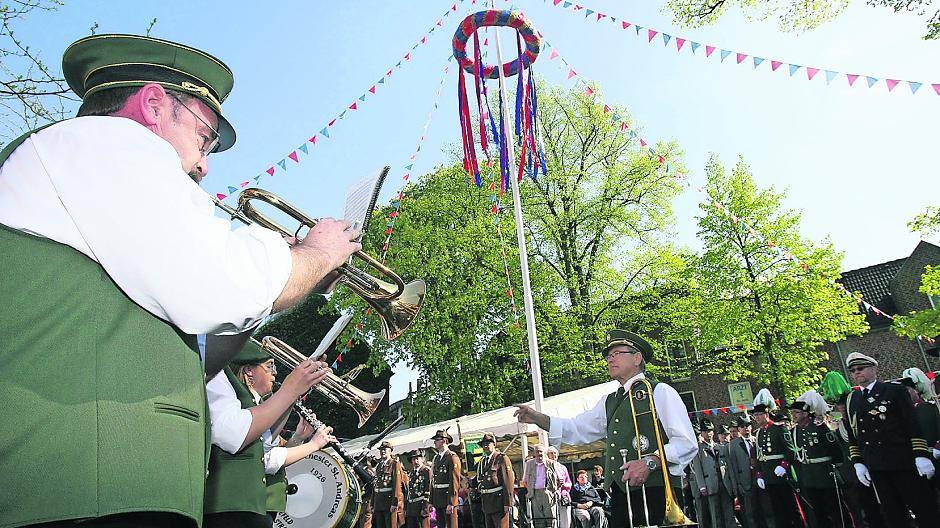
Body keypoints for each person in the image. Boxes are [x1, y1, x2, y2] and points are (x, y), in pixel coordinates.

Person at [0, 33, 361, 528]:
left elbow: (199, 360)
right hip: (87, 488)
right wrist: (314, 254)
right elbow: (222, 286)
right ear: (153, 105)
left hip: (105, 487)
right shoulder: (106, 141)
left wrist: (298, 275)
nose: (204, 163)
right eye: (203, 136)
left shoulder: (88, 173)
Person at [514, 329, 697, 528]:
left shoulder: (660, 391)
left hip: (656, 491)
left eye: (617, 353)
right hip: (621, 494)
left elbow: (686, 442)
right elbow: (578, 428)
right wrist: (539, 418)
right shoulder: (609, 401)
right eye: (609, 356)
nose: (610, 359)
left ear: (637, 358)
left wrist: (651, 461)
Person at [203, 341, 334, 527]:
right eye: (269, 366)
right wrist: (313, 444)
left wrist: (296, 391)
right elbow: (249, 445)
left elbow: (265, 443)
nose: (275, 373)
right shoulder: (236, 397)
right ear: (249, 371)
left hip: (248, 507)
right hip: (230, 507)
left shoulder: (251, 401)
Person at [843, 352, 939, 527]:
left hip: (903, 461)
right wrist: (858, 462)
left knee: (924, 509)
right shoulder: (852, 399)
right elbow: (853, 433)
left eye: (861, 368)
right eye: (853, 370)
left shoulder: (894, 391)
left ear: (874, 369)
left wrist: (921, 455)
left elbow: (912, 424)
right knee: (893, 515)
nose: (857, 372)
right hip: (876, 465)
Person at [819, 370, 877, 528]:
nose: (841, 408)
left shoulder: (860, 421)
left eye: (843, 404)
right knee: (860, 508)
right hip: (851, 473)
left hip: (870, 467)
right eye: (838, 406)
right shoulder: (841, 426)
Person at [788, 390, 842, 528]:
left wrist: (835, 468)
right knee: (818, 511)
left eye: (796, 412)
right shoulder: (794, 432)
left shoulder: (820, 428)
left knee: (835, 509)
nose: (793, 415)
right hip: (808, 476)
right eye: (792, 412)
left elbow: (835, 449)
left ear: (805, 413)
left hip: (825, 474)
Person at [752, 389, 799, 528]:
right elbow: (759, 456)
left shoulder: (778, 428)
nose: (757, 417)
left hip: (782, 475)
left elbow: (790, 450)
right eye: (755, 415)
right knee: (776, 509)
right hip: (768, 477)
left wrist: (784, 465)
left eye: (759, 414)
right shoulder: (759, 433)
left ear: (767, 414)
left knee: (790, 508)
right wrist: (759, 474)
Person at [691, 419, 735, 528]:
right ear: (701, 433)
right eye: (705, 431)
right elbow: (698, 469)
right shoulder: (698, 449)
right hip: (710, 484)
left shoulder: (720, 447)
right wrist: (702, 486)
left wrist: (732, 483)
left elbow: (728, 466)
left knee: (729, 514)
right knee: (716, 515)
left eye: (710, 431)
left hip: (724, 483)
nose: (709, 433)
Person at [727, 415, 759, 528]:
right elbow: (733, 466)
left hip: (760, 480)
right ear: (739, 429)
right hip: (744, 483)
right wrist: (737, 485)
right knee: (749, 513)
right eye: (742, 426)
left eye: (748, 425)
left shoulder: (757, 439)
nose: (746, 428)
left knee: (763, 509)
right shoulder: (734, 444)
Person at [476, 433, 515, 528]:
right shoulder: (482, 461)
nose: (485, 446)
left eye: (488, 444)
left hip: (499, 502)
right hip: (486, 501)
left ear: (494, 444)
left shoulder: (501, 458)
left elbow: (508, 482)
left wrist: (507, 503)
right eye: (483, 445)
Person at [521, 445, 561, 528]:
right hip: (534, 493)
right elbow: (524, 481)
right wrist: (530, 490)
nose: (539, 453)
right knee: (538, 519)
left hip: (548, 493)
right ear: (534, 453)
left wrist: (553, 491)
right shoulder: (529, 463)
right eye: (537, 451)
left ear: (544, 452)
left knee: (550, 518)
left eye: (541, 451)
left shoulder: (551, 463)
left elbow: (560, 480)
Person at [431, 429, 462, 528]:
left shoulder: (452, 457)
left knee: (450, 525)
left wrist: (451, 502)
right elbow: (433, 481)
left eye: (437, 440)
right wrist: (431, 501)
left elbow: (454, 481)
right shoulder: (436, 458)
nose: (434, 442)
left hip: (447, 498)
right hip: (438, 498)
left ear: (444, 441)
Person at [374, 441, 407, 528]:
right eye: (381, 450)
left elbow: (397, 485)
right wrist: (373, 503)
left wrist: (395, 503)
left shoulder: (394, 464)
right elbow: (376, 485)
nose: (382, 451)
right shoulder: (379, 466)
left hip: (389, 502)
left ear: (390, 451)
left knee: (391, 525)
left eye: (385, 449)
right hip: (379, 502)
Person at [546, 447, 572, 528]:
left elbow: (569, 483)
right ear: (547, 455)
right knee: (554, 519)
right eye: (551, 453)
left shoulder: (563, 467)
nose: (553, 455)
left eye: (555, 453)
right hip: (550, 496)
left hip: (563, 496)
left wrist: (564, 484)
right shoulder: (545, 467)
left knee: (565, 518)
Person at [406, 450, 433, 528]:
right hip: (411, 507)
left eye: (417, 458)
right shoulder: (411, 473)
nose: (415, 461)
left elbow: (428, 490)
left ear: (422, 459)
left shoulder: (426, 471)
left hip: (421, 505)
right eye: (413, 459)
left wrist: (425, 507)